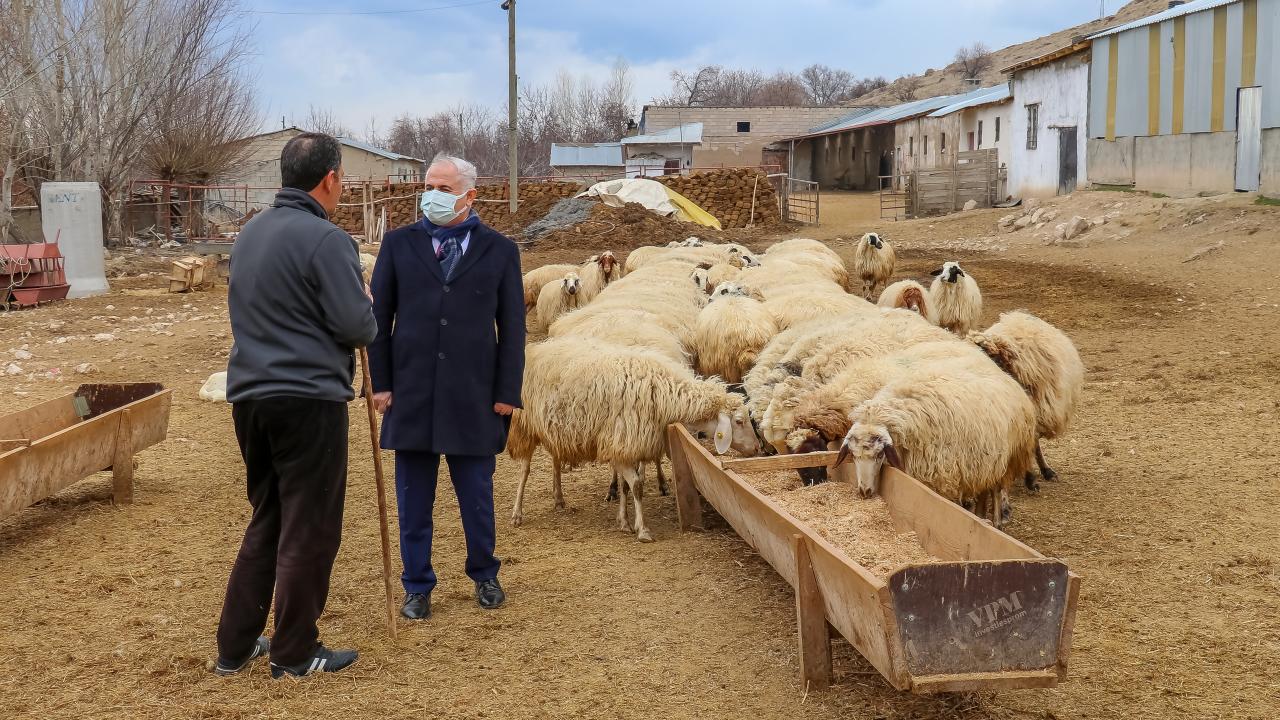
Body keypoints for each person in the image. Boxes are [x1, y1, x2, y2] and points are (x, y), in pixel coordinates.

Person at [214, 132, 377, 679]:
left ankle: (235, 646)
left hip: (250, 396)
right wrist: (365, 305)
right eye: (342, 177)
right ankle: (294, 652)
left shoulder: (250, 234)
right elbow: (356, 326)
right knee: (310, 525)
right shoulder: (326, 239)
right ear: (329, 179)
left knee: (269, 515)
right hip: (308, 398)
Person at [367, 153, 525, 621]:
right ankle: (416, 585)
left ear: (469, 195)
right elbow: (378, 319)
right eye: (429, 187)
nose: (432, 196)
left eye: (444, 189)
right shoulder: (399, 244)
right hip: (411, 393)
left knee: (476, 495)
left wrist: (507, 391)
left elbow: (513, 328)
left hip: (472, 395)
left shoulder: (500, 251)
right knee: (413, 499)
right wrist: (380, 383)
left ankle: (485, 573)